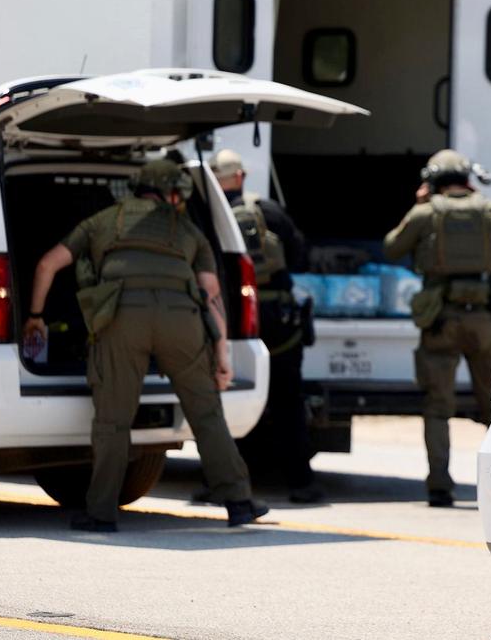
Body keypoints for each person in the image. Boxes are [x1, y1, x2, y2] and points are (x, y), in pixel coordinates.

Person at [22, 159, 267, 532]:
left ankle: (101, 513)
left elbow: (46, 265)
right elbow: (211, 294)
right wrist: (222, 357)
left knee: (113, 420)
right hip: (181, 321)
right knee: (206, 414)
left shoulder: (102, 221)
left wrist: (36, 316)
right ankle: (239, 501)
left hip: (122, 319)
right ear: (171, 193)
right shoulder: (188, 230)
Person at [382, 149, 491, 507]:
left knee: (438, 407)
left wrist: (421, 204)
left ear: (433, 182)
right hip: (484, 320)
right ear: (467, 180)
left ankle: (439, 485)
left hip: (440, 318)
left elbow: (392, 248)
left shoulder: (426, 213)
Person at [209, 149, 323, 504]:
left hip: (240, 318)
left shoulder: (214, 215)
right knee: (289, 400)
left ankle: (228, 484)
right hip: (282, 320)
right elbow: (301, 256)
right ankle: (301, 483)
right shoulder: (270, 211)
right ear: (241, 176)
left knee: (233, 398)